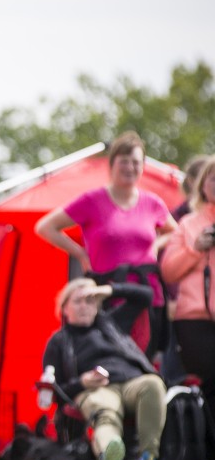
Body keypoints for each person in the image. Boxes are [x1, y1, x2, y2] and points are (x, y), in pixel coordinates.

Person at [35, 131, 177, 357]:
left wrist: (157, 245)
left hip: (146, 294)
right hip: (106, 293)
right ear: (112, 165)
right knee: (107, 356)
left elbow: (175, 233)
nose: (130, 167)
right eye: (124, 162)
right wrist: (80, 254)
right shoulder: (92, 200)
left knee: (145, 358)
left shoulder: (152, 203)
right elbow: (45, 227)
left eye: (136, 162)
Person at [42, 278, 167, 460]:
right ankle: (110, 453)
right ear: (64, 308)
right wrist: (82, 382)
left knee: (153, 384)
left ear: (98, 305)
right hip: (94, 389)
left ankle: (148, 458)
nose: (84, 306)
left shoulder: (112, 323)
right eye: (77, 301)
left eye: (90, 301)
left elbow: (146, 296)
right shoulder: (58, 342)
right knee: (105, 412)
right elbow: (53, 391)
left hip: (131, 383)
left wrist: (108, 290)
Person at [160, 156, 215, 403]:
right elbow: (169, 271)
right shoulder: (187, 224)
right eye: (213, 179)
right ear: (202, 185)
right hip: (194, 321)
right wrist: (195, 249)